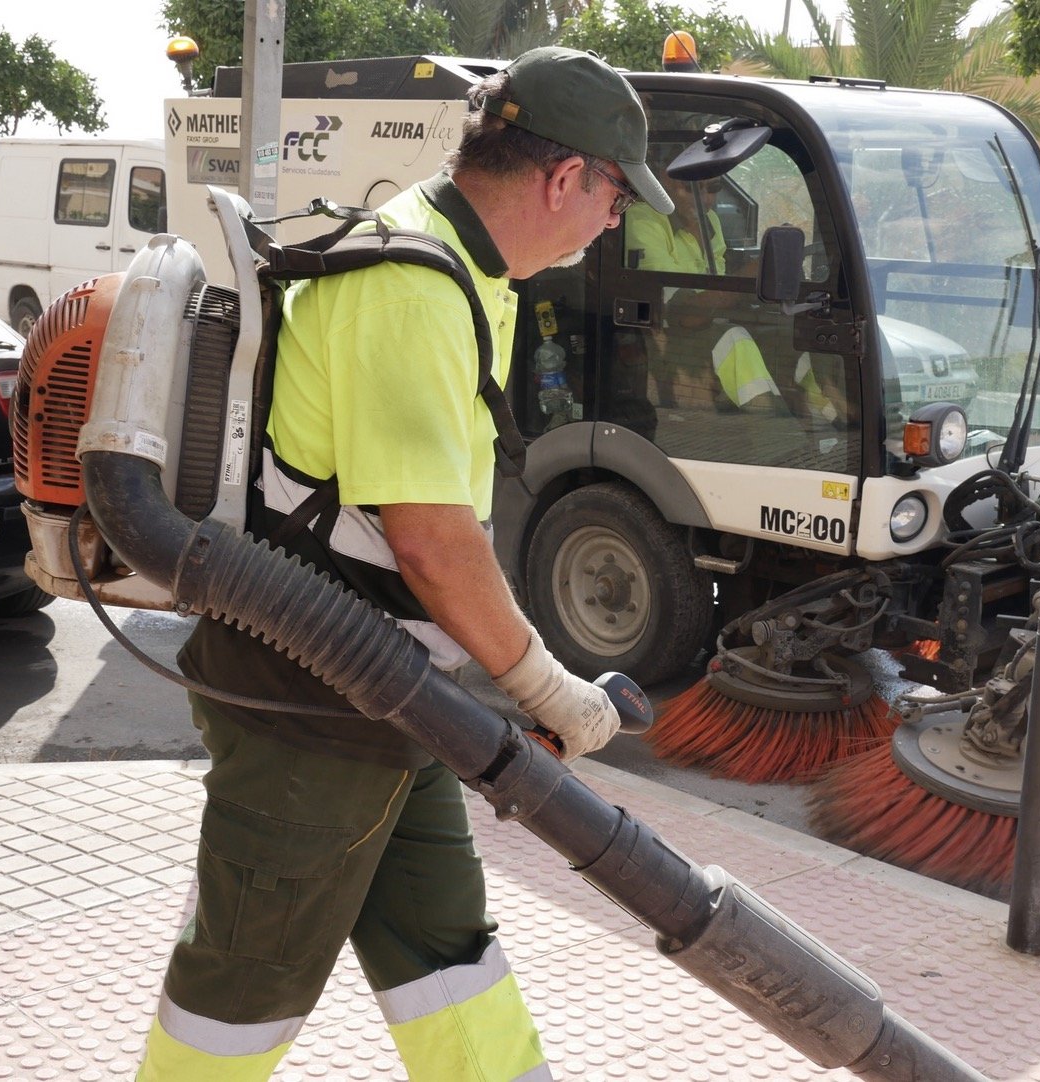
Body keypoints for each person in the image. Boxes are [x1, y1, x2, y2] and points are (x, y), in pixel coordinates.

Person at [138, 47, 674, 1082]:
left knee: (446, 954)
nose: (617, 220)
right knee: (241, 990)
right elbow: (432, 541)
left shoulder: (464, 266)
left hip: (387, 695)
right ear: (566, 179)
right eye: (616, 195)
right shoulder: (413, 282)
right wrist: (550, 687)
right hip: (310, 707)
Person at [623, 168, 782, 412]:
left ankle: (822, 425)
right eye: (691, 189)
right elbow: (681, 312)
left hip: (705, 324)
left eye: (713, 188)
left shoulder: (711, 222)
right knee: (734, 340)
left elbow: (714, 284)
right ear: (665, 181)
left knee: (785, 336)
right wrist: (751, 274)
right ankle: (769, 428)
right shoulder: (643, 221)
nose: (706, 199)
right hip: (662, 338)